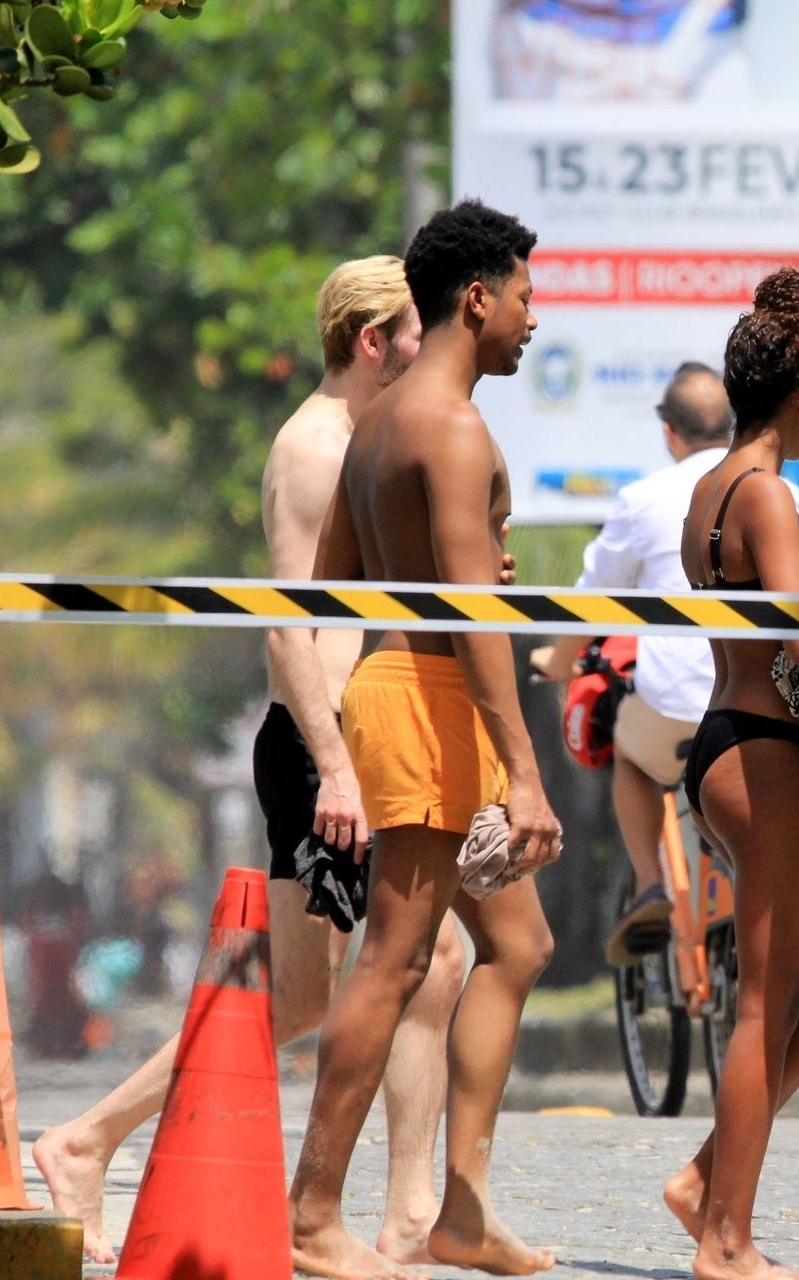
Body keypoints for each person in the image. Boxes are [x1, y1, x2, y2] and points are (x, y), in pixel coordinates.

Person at [32, 256, 472, 1268]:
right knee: (424, 960)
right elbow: (288, 627)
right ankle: (393, 1214)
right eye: (419, 330)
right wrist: (338, 768)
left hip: (349, 740)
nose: (433, 347)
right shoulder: (316, 449)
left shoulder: (362, 440)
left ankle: (90, 1138)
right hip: (324, 747)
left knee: (328, 990)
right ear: (374, 341)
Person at [286, 200, 563, 1280]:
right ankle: (313, 1217)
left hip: (408, 683)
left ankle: (463, 1212)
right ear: (478, 298)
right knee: (393, 960)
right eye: (526, 297)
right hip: (427, 696)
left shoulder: (380, 422)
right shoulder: (449, 425)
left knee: (518, 945)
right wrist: (526, 772)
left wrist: (457, 559)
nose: (535, 320)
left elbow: (336, 580)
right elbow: (473, 620)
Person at [664, 268, 799, 1280]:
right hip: (766, 753)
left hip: (721, 741)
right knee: (765, 1004)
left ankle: (705, 1178)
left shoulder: (708, 489)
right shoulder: (769, 494)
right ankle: (727, 1240)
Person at [538, 362, 799, 965]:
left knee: (631, 756)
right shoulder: (779, 490)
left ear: (669, 431)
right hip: (761, 711)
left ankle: (650, 884)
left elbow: (589, 601)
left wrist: (557, 662)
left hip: (676, 710)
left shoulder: (645, 499)